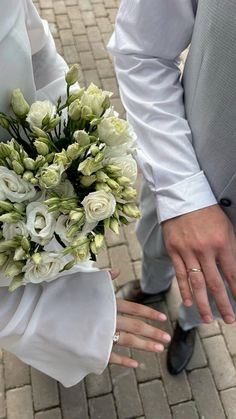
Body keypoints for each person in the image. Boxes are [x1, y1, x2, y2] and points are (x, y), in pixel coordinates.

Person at [0, 0, 170, 387]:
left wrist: (87, 139)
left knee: (66, 249)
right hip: (12, 240)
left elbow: (39, 55)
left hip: (45, 174)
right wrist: (33, 316)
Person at [108, 0, 236, 374]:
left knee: (213, 294)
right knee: (153, 247)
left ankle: (188, 325)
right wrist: (183, 193)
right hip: (177, 169)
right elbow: (142, 48)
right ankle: (152, 287)